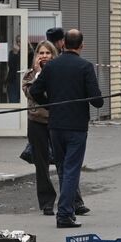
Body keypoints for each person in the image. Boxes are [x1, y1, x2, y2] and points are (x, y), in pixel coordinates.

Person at [29, 28, 103, 229]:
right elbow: (97, 101)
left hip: (55, 125)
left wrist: (50, 103)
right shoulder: (85, 67)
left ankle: (67, 210)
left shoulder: (52, 67)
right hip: (76, 127)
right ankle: (64, 214)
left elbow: (34, 90)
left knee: (63, 168)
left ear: (63, 44)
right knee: (71, 170)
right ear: (81, 45)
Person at [22, 40, 87, 218]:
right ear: (36, 57)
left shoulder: (60, 73)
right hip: (36, 122)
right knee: (41, 165)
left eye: (48, 53)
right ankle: (47, 203)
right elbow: (31, 93)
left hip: (57, 122)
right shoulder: (29, 75)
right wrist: (37, 74)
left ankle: (75, 201)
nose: (44, 56)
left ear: (54, 55)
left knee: (65, 164)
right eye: (40, 53)